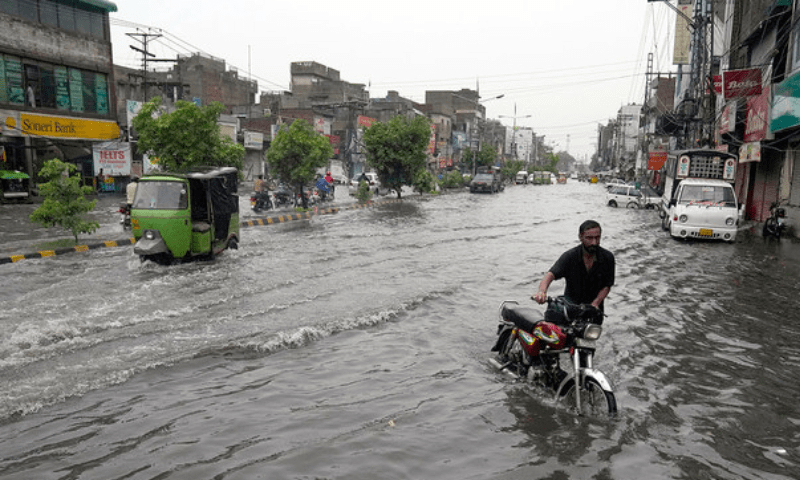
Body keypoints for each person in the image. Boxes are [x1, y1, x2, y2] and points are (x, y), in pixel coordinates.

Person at [532, 220, 615, 312]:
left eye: (597, 238)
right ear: (581, 237)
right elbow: (550, 274)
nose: (594, 242)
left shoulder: (608, 257)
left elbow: (607, 285)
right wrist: (542, 292)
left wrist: (595, 303)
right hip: (570, 307)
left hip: (594, 309)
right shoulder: (570, 256)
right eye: (589, 238)